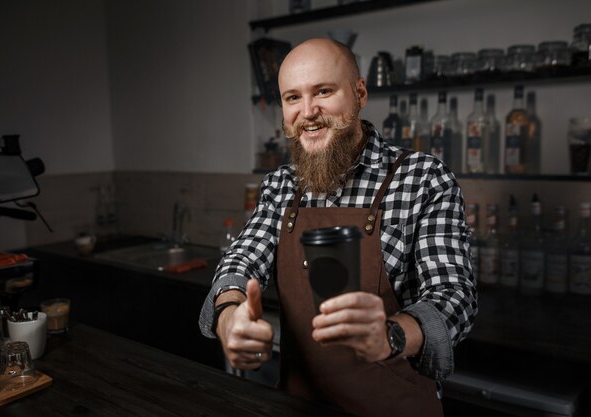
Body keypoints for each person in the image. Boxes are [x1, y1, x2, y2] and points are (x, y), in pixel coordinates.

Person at [199, 38, 477, 417]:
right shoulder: (281, 185)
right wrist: (229, 317)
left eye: (324, 91)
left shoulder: (424, 178)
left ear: (359, 93)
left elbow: (453, 298)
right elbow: (241, 261)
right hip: (298, 404)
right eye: (292, 98)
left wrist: (391, 334)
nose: (308, 112)